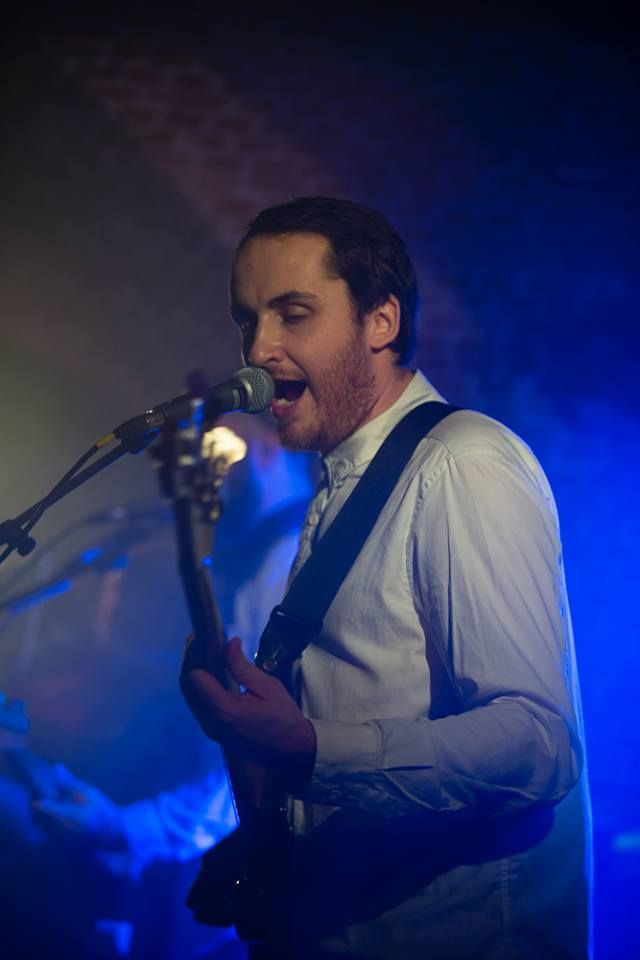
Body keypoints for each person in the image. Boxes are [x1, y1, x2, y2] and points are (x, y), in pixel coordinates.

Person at [180, 196, 592, 959]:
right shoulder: (344, 486)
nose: (257, 349)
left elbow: (538, 747)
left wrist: (310, 747)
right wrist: (269, 852)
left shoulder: (461, 463)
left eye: (293, 314)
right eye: (248, 320)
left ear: (381, 321)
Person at [1, 412, 313, 958]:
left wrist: (131, 829)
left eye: (223, 449)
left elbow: (264, 761)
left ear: (264, 445)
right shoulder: (261, 565)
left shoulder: (285, 568)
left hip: (229, 880)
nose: (209, 474)